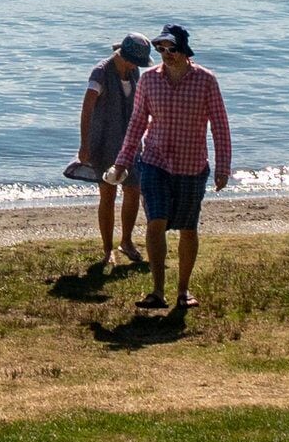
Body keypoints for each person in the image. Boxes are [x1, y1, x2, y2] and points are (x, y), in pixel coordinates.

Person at [112, 23, 230, 312]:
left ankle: (183, 291)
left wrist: (223, 166)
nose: (166, 53)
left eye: (171, 48)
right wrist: (122, 162)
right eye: (160, 48)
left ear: (184, 50)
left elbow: (220, 125)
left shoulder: (206, 80)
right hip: (155, 162)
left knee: (188, 228)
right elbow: (137, 123)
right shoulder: (149, 80)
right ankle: (157, 291)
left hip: (192, 166)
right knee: (156, 222)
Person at [77, 34, 152, 270]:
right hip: (104, 143)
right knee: (107, 194)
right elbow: (87, 109)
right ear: (124, 56)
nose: (135, 66)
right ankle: (107, 249)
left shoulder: (134, 72)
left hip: (131, 142)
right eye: (133, 62)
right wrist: (84, 144)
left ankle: (126, 241)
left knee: (133, 189)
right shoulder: (100, 73)